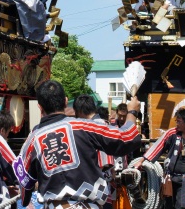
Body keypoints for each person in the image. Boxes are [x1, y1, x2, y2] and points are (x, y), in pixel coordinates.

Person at [15, 80, 141, 208]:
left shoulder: (32, 139)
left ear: (39, 107)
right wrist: (132, 112)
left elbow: (24, 188)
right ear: (65, 101)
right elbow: (127, 137)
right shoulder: (85, 126)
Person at [136, 109, 185, 209]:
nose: (176, 123)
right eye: (176, 121)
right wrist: (141, 161)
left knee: (184, 206)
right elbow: (157, 146)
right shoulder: (172, 133)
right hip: (170, 176)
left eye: (179, 121)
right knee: (168, 205)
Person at [73, 95, 115, 209]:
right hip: (104, 184)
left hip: (95, 185)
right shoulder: (104, 124)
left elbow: (103, 163)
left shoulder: (92, 126)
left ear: (79, 111)